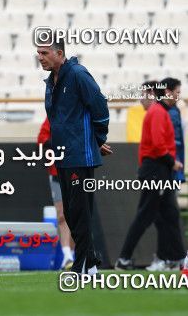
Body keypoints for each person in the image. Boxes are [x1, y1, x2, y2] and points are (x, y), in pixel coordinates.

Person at [37, 35, 111, 276]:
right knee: (71, 212)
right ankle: (90, 261)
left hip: (80, 156)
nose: (41, 58)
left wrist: (97, 140)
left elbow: (99, 106)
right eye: (38, 53)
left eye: (45, 53)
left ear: (60, 53)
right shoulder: (51, 81)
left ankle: (82, 265)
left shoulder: (78, 74)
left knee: (79, 211)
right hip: (63, 156)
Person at [116, 77, 186, 270]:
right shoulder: (158, 113)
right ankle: (124, 258)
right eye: (176, 91)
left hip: (157, 168)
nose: (141, 100)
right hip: (156, 169)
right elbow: (157, 145)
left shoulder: (159, 112)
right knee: (146, 215)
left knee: (168, 214)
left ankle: (177, 257)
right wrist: (173, 163)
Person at [37, 117, 74, 270]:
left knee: (76, 215)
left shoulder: (78, 115)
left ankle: (72, 255)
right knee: (62, 215)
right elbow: (42, 139)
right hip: (57, 172)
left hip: (77, 172)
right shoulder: (53, 116)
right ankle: (67, 256)